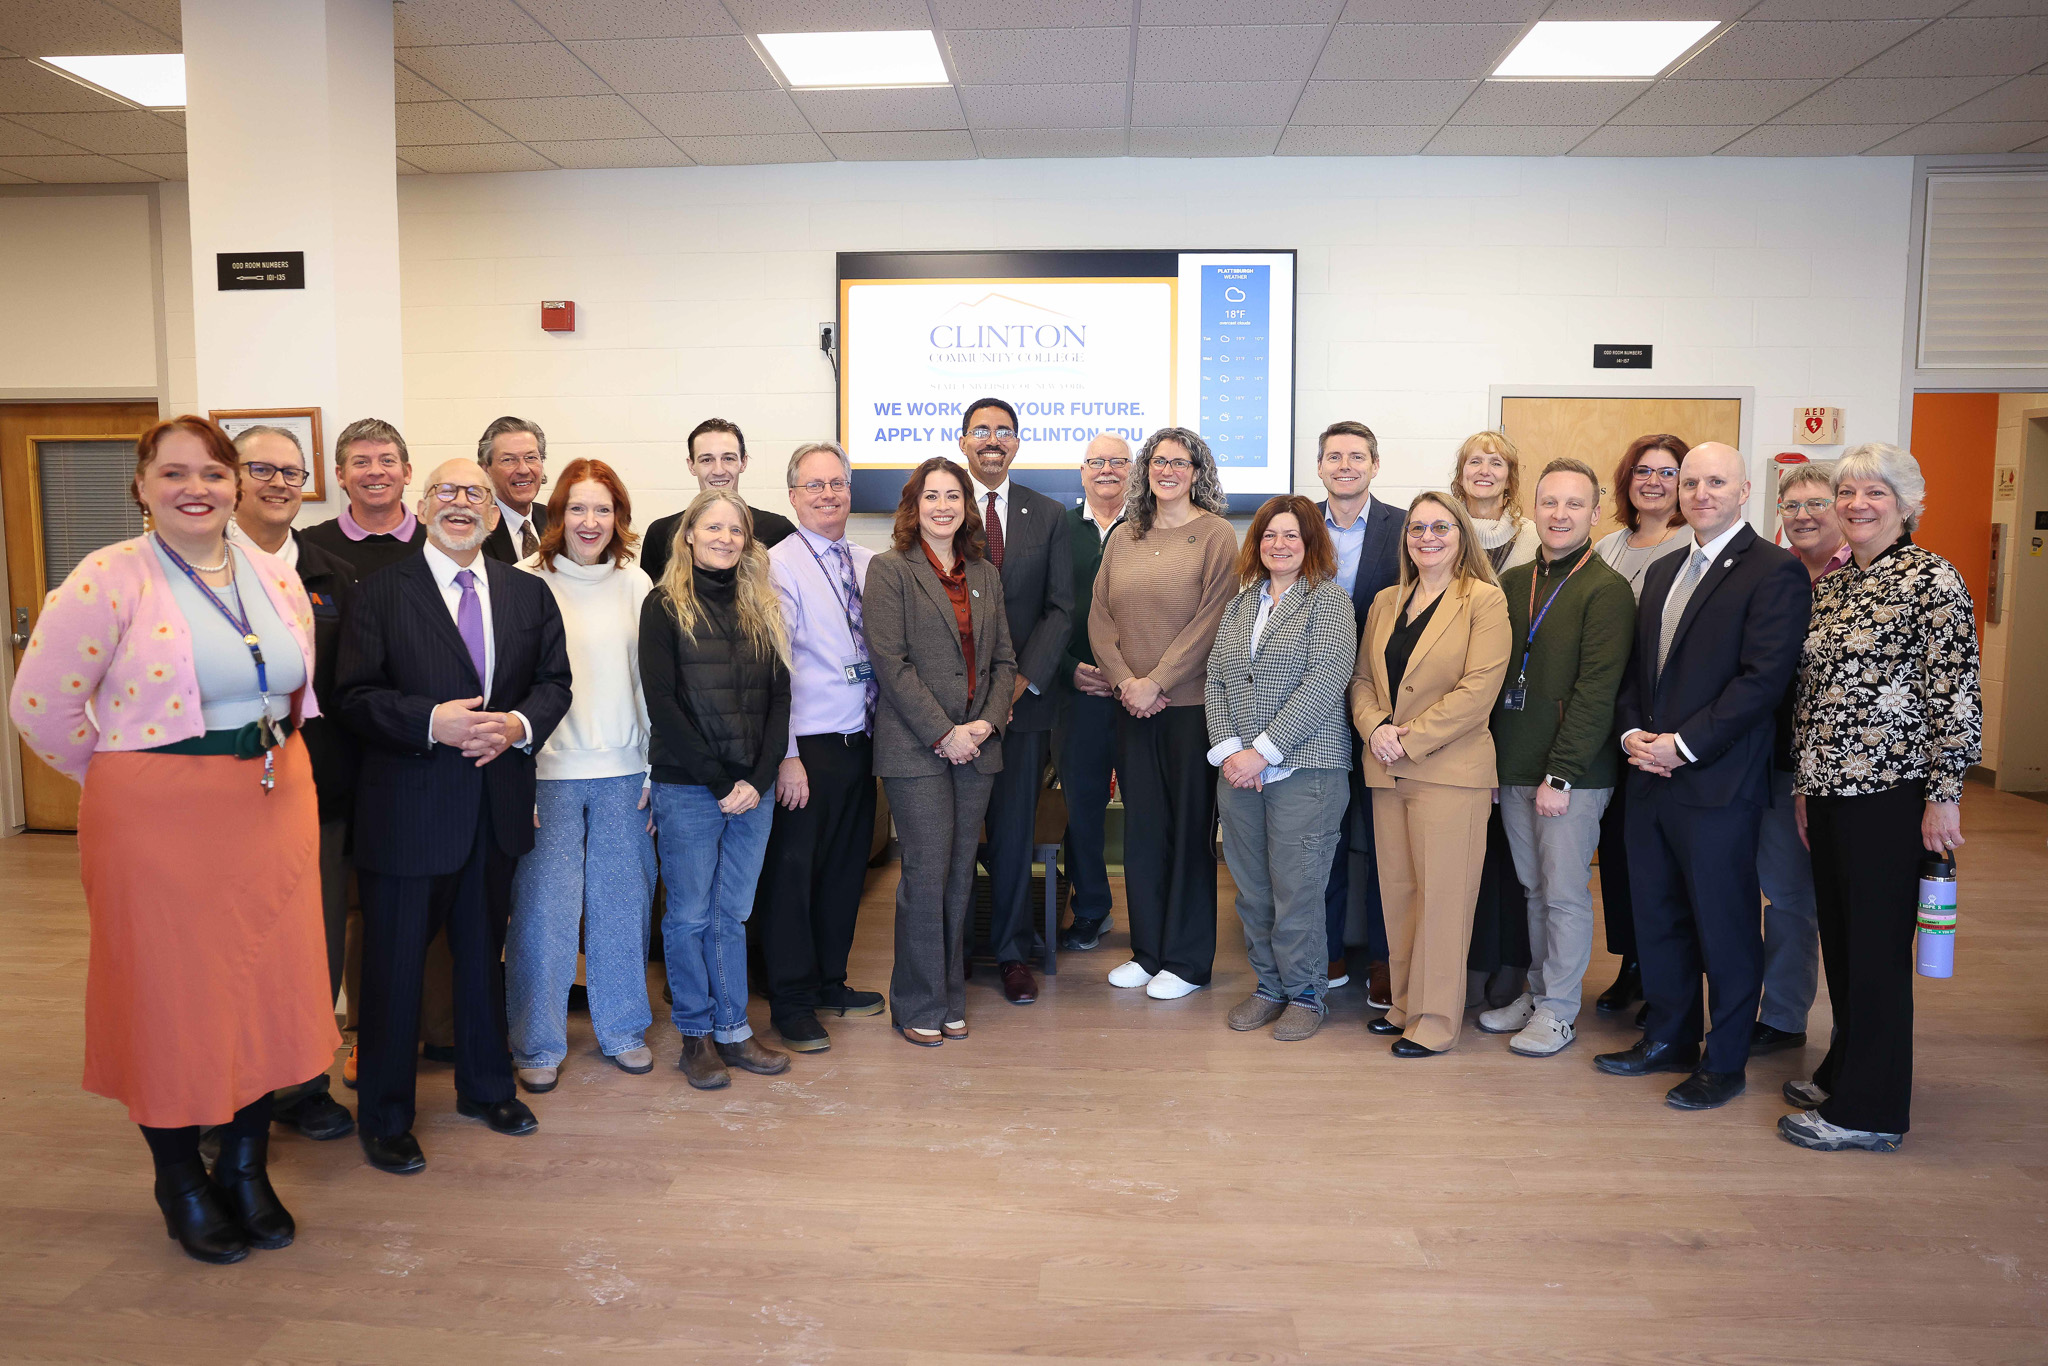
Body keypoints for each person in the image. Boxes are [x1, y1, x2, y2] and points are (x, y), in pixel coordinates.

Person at [11, 416, 337, 1263]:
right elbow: (39, 708)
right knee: (170, 997)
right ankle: (179, 1181)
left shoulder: (272, 573)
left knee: (267, 987)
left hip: (273, 799)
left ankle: (244, 1166)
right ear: (144, 486)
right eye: (174, 473)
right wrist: (130, 778)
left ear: (236, 486)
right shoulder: (107, 578)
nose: (197, 487)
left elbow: (293, 687)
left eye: (214, 473)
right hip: (158, 816)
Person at [334, 457, 573, 1174]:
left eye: (475, 493)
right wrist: (429, 721)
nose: (461, 502)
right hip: (408, 811)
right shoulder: (380, 594)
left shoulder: (528, 595)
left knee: (480, 959)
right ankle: (383, 1116)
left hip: (494, 807)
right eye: (446, 491)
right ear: (424, 505)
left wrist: (519, 727)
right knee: (395, 970)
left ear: (494, 515)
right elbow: (352, 697)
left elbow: (554, 682)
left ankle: (485, 1088)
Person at [1596, 442, 1809, 1112]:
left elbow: (1762, 682)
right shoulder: (1661, 570)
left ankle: (1725, 1061)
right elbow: (1637, 673)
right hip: (1648, 778)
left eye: (1716, 482)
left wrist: (1683, 746)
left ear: (1746, 490)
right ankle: (1669, 1038)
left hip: (1716, 782)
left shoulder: (1774, 573)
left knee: (1725, 928)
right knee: (1658, 918)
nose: (1699, 493)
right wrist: (1633, 733)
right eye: (1691, 483)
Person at [1783, 444, 1980, 1153]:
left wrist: (1945, 796)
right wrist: (1806, 784)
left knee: (1876, 953)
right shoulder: (1835, 587)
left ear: (1905, 504)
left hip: (1893, 796)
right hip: (1830, 795)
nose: (1857, 503)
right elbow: (1812, 698)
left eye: (1875, 491)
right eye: (1847, 491)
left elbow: (1954, 694)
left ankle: (1870, 1113)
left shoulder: (1933, 581)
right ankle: (1846, 1069)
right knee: (1843, 943)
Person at [505, 460, 658, 1092]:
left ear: (618, 517)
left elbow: (651, 679)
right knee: (544, 914)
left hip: (625, 770)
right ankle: (537, 1043)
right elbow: (507, 682)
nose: (589, 522)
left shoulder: (635, 581)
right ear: (555, 513)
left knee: (623, 909)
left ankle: (622, 1030)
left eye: (602, 510)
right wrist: (516, 775)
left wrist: (654, 764)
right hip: (545, 774)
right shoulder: (523, 581)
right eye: (577, 508)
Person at [226, 424, 359, 1141]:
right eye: (261, 470)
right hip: (225, 789)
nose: (278, 483)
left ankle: (304, 1083)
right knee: (232, 945)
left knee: (314, 938)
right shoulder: (204, 566)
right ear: (234, 479)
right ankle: (226, 1094)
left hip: (319, 785)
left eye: (290, 471)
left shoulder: (329, 570)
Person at [1475, 459, 1635, 1058]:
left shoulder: (1607, 590)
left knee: (1564, 894)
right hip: (1514, 764)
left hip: (1571, 774)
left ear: (1594, 514)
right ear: (1533, 510)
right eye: (1549, 503)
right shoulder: (1515, 583)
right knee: (1532, 890)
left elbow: (1597, 692)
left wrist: (1561, 774)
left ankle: (1560, 1011)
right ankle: (1539, 992)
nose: (1560, 515)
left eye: (1574, 504)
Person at [1348, 493, 1512, 1057]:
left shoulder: (1484, 601)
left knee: (1445, 900)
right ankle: (1405, 1006)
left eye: (1441, 526)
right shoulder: (1386, 601)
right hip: (1386, 768)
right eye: (1417, 528)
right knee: (1400, 895)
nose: (1427, 536)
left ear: (1461, 534)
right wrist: (1375, 729)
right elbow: (1363, 681)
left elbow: (1478, 692)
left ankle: (1437, 1021)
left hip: (1449, 771)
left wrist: (1406, 739)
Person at [640, 489, 794, 1088]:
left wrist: (756, 780)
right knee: (688, 917)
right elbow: (665, 707)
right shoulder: (663, 606)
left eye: (737, 530)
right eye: (714, 528)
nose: (726, 538)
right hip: (689, 789)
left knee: (733, 914)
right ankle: (696, 1036)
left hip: (752, 793)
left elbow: (781, 698)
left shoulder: (763, 606)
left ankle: (734, 1030)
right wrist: (720, 780)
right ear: (689, 536)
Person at [864, 457, 1017, 1046]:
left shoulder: (984, 573)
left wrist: (982, 725)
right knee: (925, 876)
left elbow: (1004, 660)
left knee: (958, 876)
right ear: (914, 505)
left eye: (953, 496)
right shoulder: (890, 569)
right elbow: (891, 664)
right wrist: (944, 731)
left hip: (977, 745)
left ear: (967, 506)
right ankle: (918, 1003)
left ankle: (951, 995)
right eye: (931, 496)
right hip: (917, 748)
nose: (943, 506)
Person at [1089, 428, 1238, 1000]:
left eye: (1180, 462)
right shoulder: (1125, 534)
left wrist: (1157, 682)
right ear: (1144, 470)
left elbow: (1212, 620)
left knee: (1188, 833)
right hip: (1132, 705)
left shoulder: (1217, 535)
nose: (1167, 470)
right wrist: (1127, 681)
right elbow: (1100, 618)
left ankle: (1188, 961)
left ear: (1198, 472)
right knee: (1143, 833)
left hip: (1189, 708)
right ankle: (1148, 952)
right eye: (1158, 461)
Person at [1208, 495, 1359, 1042]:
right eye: (1270, 535)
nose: (1279, 544)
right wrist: (1229, 750)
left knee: (1297, 889)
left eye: (1291, 536)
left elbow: (1324, 683)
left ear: (1311, 542)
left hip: (1306, 769)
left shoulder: (1330, 603)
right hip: (1239, 772)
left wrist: (1262, 751)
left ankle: (1306, 993)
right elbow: (1217, 681)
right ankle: (1268, 986)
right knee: (1251, 889)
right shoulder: (1241, 605)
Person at [755, 442, 888, 1055]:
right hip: (806, 748)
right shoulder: (776, 565)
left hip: (860, 738)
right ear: (792, 496)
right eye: (815, 485)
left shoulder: (869, 562)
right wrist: (785, 754)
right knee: (793, 877)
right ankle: (791, 1002)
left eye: (837, 483)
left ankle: (830, 980)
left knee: (843, 870)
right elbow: (772, 668)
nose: (829, 494)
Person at [956, 398, 1074, 1003]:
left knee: (1009, 834)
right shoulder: (941, 505)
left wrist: (1019, 685)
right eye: (982, 431)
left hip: (1021, 710)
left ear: (1018, 443)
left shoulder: (1048, 514)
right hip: (950, 710)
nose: (992, 441)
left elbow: (1060, 608)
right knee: (947, 835)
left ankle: (1008, 951)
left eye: (1004, 431)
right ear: (964, 440)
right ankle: (946, 953)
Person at [1589, 433, 1691, 1021]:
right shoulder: (1607, 547)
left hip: (1664, 729)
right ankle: (1630, 964)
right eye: (1642, 471)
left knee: (1663, 863)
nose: (1653, 481)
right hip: (1610, 723)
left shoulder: (1691, 546)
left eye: (1667, 472)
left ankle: (1665, 976)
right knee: (1621, 856)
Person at [1750, 460, 1849, 1056]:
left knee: (1842, 904)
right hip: (1779, 760)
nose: (1804, 516)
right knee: (1785, 895)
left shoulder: (1863, 576)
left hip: (1844, 771)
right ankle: (1785, 1017)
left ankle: (1851, 1038)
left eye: (1818, 504)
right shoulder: (1773, 574)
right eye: (1792, 507)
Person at [1313, 420, 1403, 1005]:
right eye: (1334, 456)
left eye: (1357, 456)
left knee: (1383, 837)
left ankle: (1384, 956)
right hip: (1311, 710)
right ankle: (1325, 949)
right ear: (1319, 466)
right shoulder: (1296, 524)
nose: (1346, 465)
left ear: (1375, 464)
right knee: (1322, 836)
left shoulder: (1405, 527)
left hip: (1383, 707)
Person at [1055, 433, 1130, 952]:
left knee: (1148, 809)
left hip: (1143, 697)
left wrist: (1136, 678)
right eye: (1096, 462)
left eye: (1119, 462)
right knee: (1080, 808)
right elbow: (1037, 610)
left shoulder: (1154, 527)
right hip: (1076, 693)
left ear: (1134, 471)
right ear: (1082, 472)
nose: (1107, 469)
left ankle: (1151, 914)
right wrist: (1065, 669)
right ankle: (1091, 909)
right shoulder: (1058, 529)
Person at [641, 418, 796, 582]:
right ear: (691, 465)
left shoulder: (779, 531)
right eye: (706, 460)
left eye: (728, 458)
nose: (718, 470)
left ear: (743, 462)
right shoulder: (660, 534)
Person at [299, 417, 427, 576]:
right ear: (340, 475)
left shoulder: (436, 540)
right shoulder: (309, 546)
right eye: (361, 462)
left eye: (387, 461)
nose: (375, 471)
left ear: (407, 473)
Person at [1449, 430, 1539, 574]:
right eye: (1475, 462)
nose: (1484, 471)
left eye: (1496, 463)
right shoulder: (1440, 534)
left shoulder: (1534, 537)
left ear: (1509, 480)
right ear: (1460, 476)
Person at [478, 415, 551, 565]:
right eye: (508, 460)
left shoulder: (556, 520)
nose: (523, 470)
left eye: (531, 457)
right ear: (486, 470)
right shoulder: (476, 529)